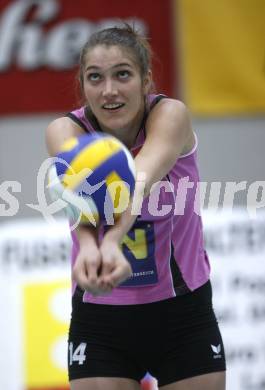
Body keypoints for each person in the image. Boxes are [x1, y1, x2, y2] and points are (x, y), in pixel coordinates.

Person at [45, 24, 226, 390]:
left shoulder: (170, 115)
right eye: (95, 78)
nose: (109, 90)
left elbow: (137, 181)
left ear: (146, 80)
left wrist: (111, 241)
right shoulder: (64, 130)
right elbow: (77, 195)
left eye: (122, 74)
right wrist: (91, 246)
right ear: (83, 86)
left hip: (183, 313)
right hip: (101, 317)